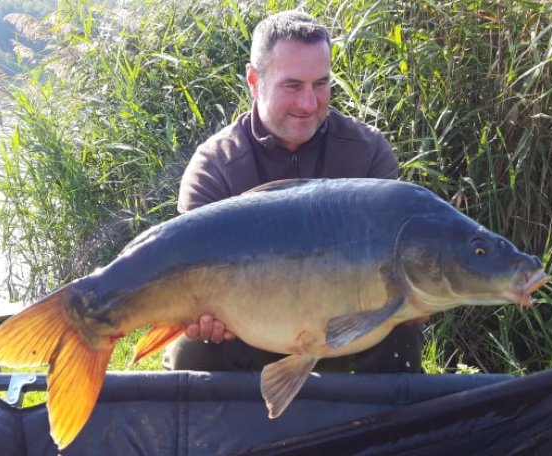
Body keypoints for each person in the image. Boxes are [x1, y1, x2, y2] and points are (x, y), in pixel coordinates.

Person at [163, 10, 423, 373]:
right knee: (192, 348)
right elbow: (187, 274)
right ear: (255, 80)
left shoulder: (367, 152)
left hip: (344, 330)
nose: (308, 103)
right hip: (246, 331)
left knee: (399, 331)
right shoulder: (215, 165)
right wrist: (202, 318)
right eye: (292, 86)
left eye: (321, 84)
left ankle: (381, 429)